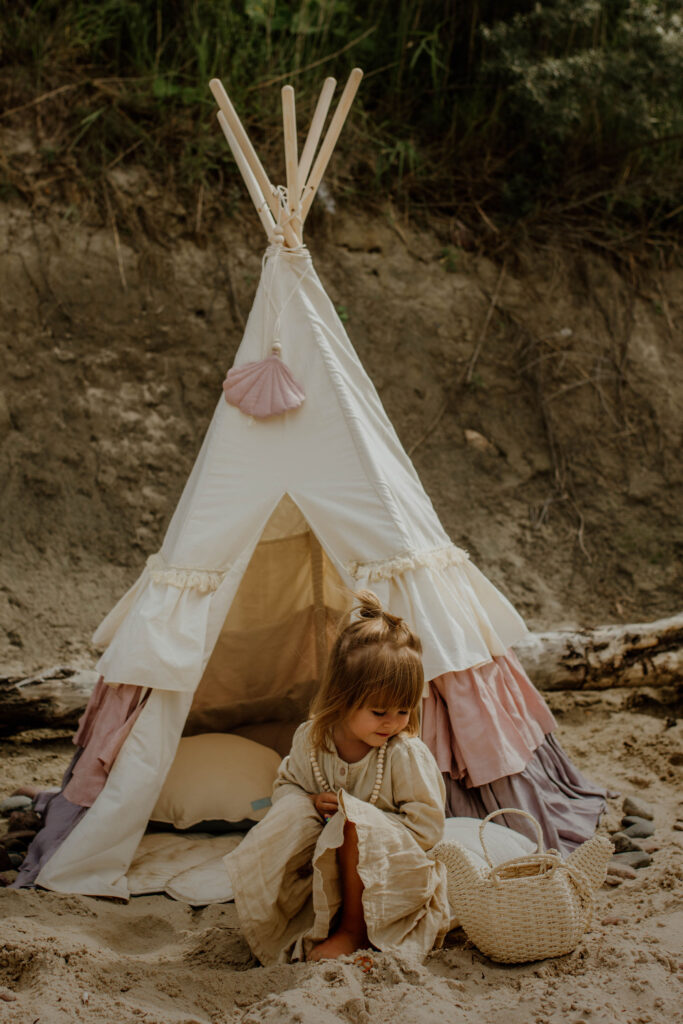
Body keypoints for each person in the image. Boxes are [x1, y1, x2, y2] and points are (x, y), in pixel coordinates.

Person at [223, 590, 450, 964]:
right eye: (379, 712)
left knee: (353, 825)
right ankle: (278, 914)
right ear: (343, 699)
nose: (393, 722)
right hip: (323, 868)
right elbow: (285, 787)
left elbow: (427, 828)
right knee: (289, 813)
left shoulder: (402, 753)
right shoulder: (312, 740)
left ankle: (353, 931)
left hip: (386, 871)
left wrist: (361, 822)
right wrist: (311, 802)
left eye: (404, 711)